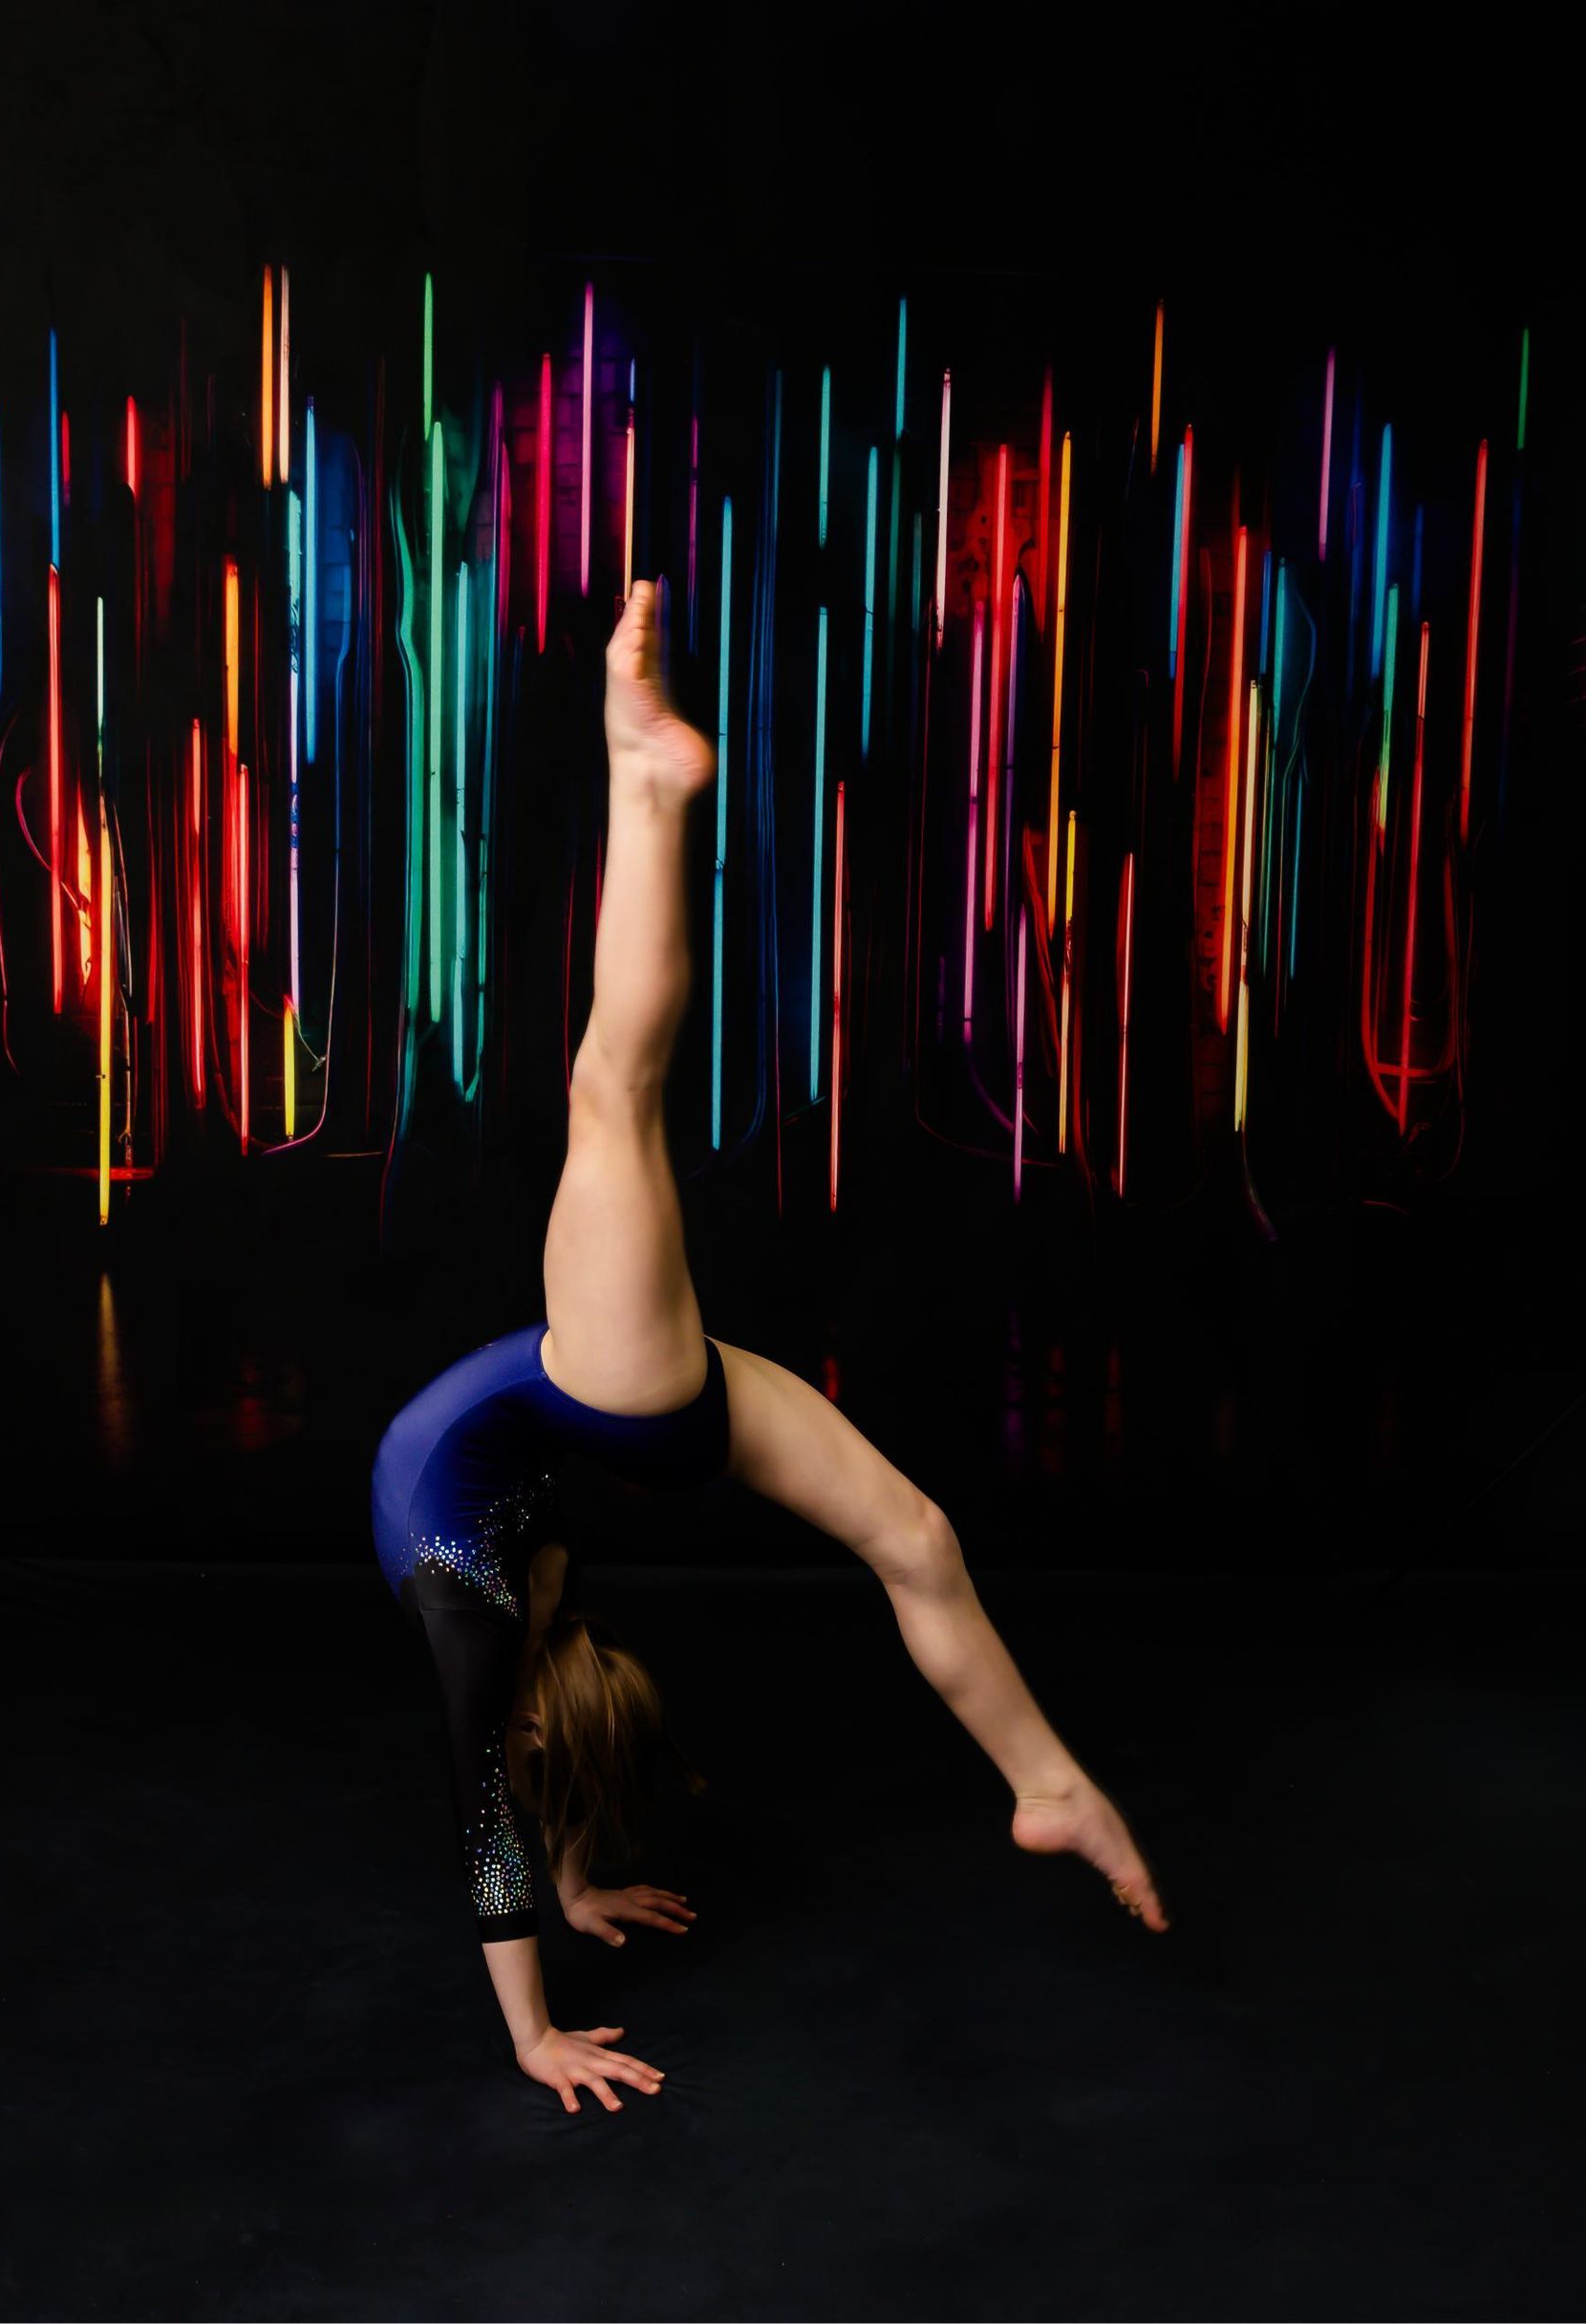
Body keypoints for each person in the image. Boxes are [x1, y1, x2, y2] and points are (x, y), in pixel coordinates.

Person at [369, 579, 1168, 2119]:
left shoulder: (501, 1619)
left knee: (917, 1537)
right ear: (543, 1695)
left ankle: (1053, 1787)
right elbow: (496, 1814)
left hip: (598, 1405)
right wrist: (550, 1966)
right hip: (595, 1393)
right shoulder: (501, 1615)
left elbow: (494, 1813)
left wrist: (559, 1952)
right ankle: (645, 783)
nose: (514, 1750)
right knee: (612, 1091)